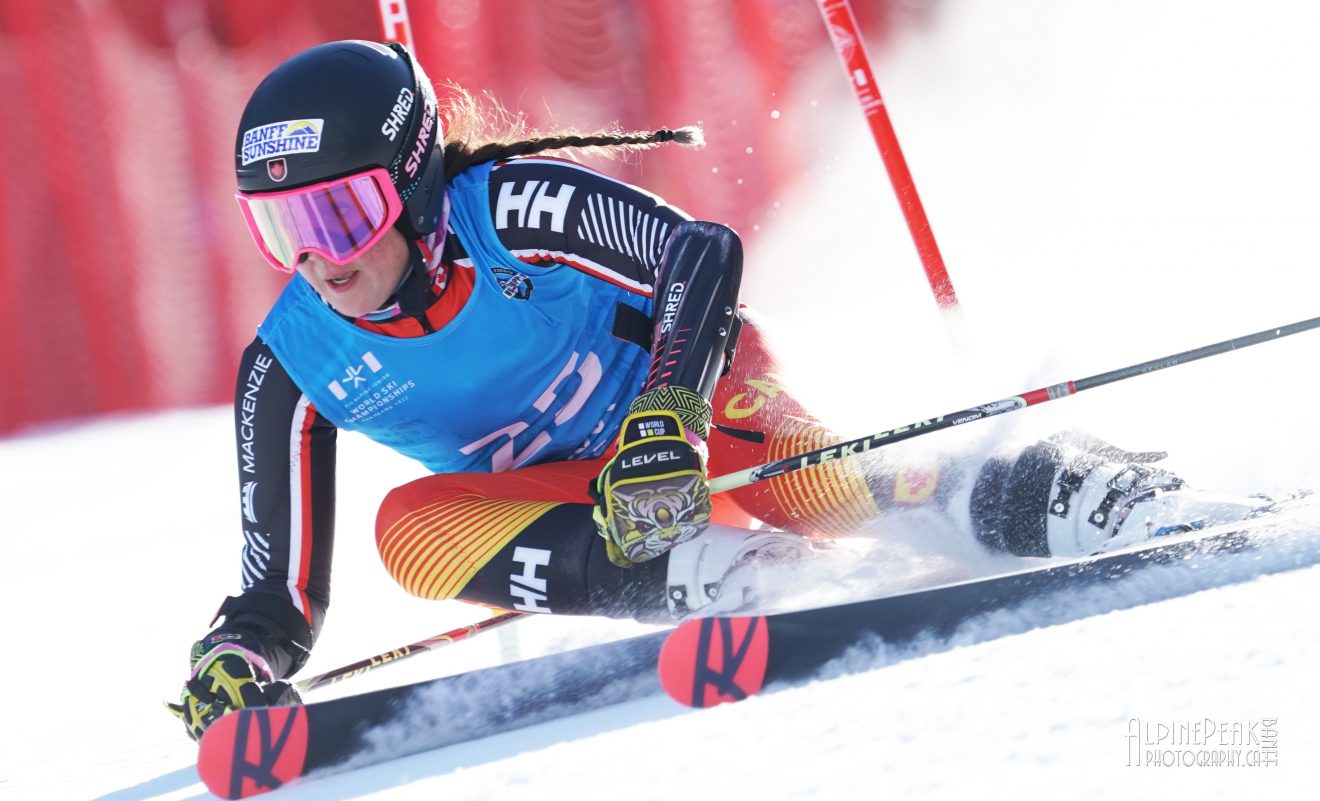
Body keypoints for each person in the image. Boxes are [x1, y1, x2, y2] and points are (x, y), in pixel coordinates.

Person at [168, 40, 1266, 741]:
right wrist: (241, 655)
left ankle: (1059, 490)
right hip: (613, 515)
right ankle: (718, 576)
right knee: (408, 532)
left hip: (709, 423)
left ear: (414, 188)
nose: (320, 260)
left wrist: (667, 415)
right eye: (283, 227)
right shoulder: (292, 362)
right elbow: (281, 592)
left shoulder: (508, 212)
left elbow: (697, 253)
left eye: (342, 215)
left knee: (818, 487)